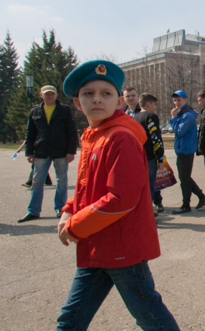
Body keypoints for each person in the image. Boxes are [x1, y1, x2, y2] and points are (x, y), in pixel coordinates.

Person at [56, 60, 179, 330]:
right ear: (78, 103)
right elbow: (88, 186)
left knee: (150, 316)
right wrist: (68, 208)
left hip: (121, 248)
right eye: (88, 93)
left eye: (106, 93)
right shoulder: (93, 135)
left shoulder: (120, 138)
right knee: (70, 319)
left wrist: (75, 226)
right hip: (98, 241)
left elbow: (121, 198)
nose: (97, 99)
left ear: (119, 100)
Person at [19, 85, 78, 223]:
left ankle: (60, 209)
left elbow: (72, 132)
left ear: (56, 95)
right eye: (47, 94)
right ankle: (33, 211)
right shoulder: (35, 111)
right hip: (41, 151)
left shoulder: (64, 110)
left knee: (61, 181)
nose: (49, 96)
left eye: (52, 93)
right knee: (37, 182)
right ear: (41, 95)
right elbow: (30, 133)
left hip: (61, 151)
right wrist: (29, 152)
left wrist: (71, 151)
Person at [170, 90, 205, 214]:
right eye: (175, 100)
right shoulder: (183, 114)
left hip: (186, 150)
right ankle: (201, 196)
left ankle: (186, 205)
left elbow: (180, 131)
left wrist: (173, 119)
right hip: (182, 149)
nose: (177, 103)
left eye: (179, 100)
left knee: (184, 179)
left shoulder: (187, 116)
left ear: (185, 100)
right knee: (184, 177)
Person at [134, 93, 166, 214]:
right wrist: (160, 157)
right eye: (155, 104)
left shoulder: (134, 117)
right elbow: (155, 138)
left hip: (138, 155)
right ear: (148, 104)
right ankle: (147, 212)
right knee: (150, 186)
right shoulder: (151, 117)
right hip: (149, 156)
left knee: (141, 186)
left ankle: (140, 210)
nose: (156, 107)